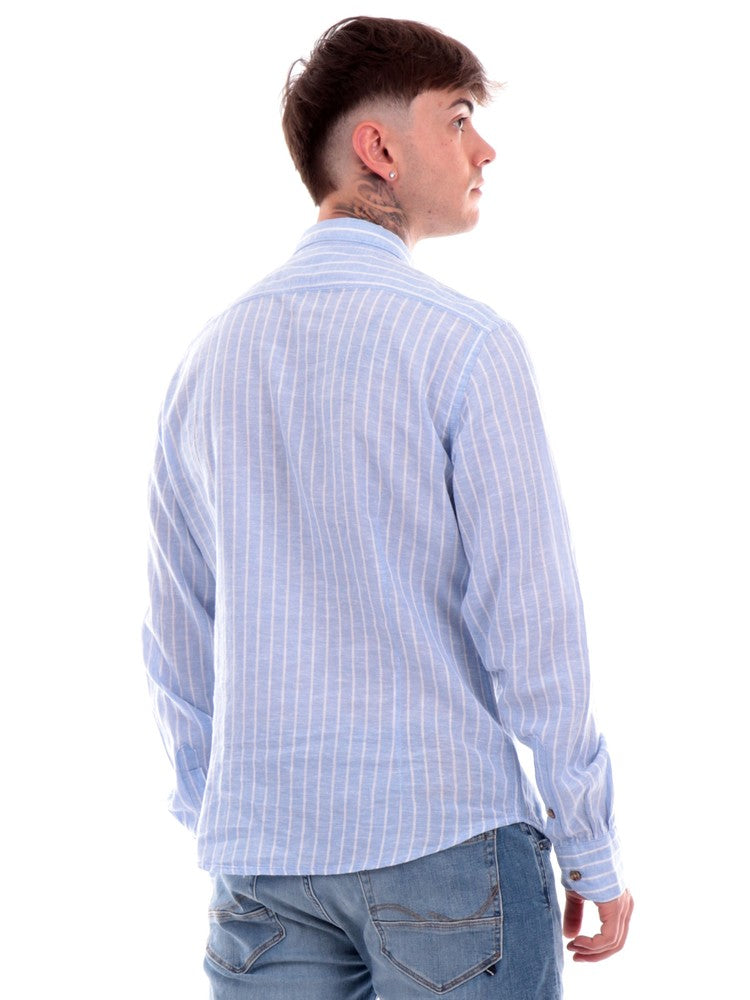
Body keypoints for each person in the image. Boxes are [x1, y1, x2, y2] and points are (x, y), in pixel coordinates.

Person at [142, 15, 633, 999]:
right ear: (379, 148)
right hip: (446, 844)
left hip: (262, 870)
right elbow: (534, 626)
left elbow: (176, 638)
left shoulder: (208, 361)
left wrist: (229, 817)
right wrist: (590, 843)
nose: (484, 148)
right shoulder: (466, 346)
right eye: (458, 118)